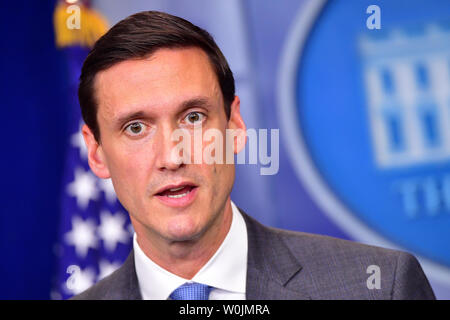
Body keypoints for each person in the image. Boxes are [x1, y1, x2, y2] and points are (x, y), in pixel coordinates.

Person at [73, 10, 435, 300]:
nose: (172, 156)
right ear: (96, 152)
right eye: (136, 128)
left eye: (194, 118)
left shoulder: (378, 288)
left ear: (235, 126)